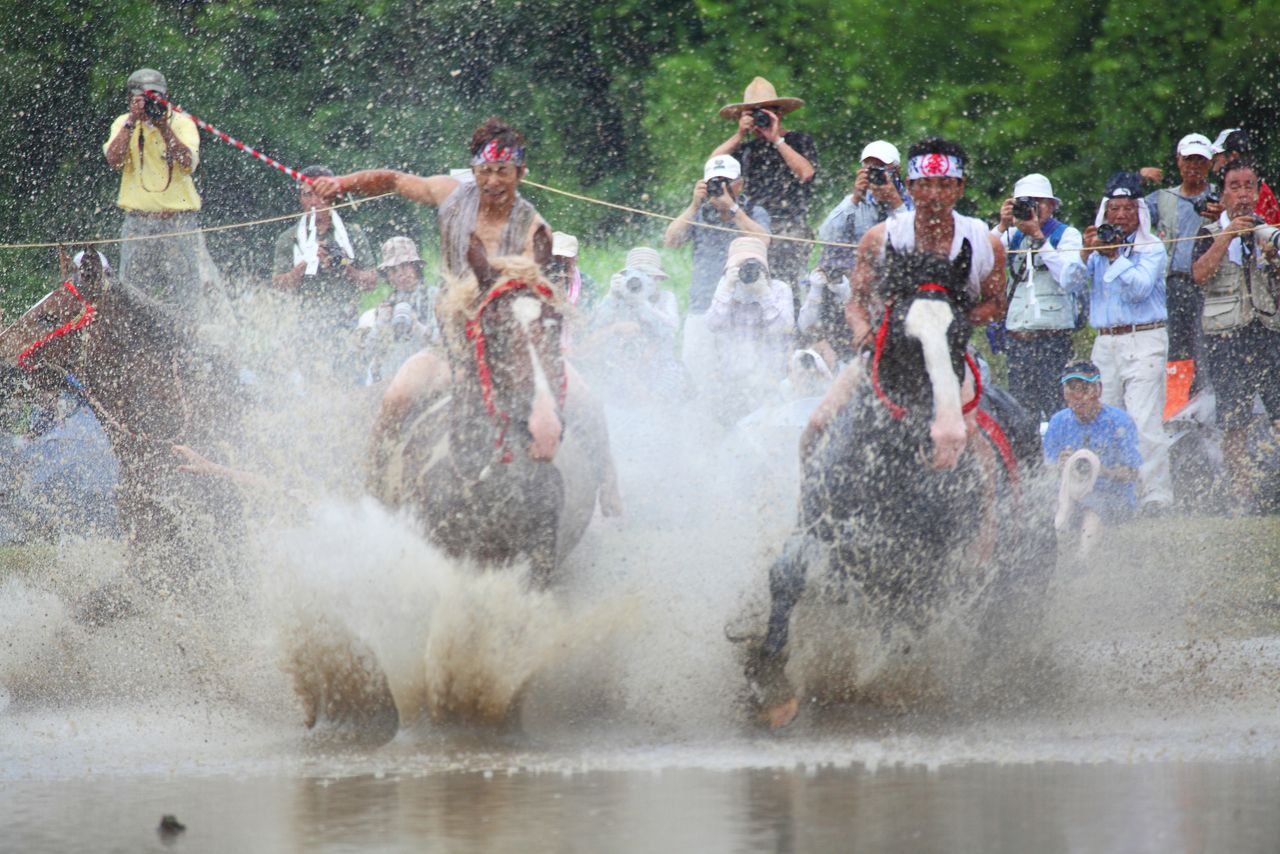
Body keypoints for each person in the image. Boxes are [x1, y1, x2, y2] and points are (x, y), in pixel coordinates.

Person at [313, 118, 621, 514]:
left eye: (503, 171)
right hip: (452, 344)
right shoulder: (450, 195)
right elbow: (393, 180)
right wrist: (343, 183)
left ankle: (609, 486)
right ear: (474, 170)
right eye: (485, 171)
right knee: (396, 397)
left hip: (510, 348)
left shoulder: (533, 228)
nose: (493, 181)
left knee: (588, 404)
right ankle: (374, 490)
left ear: (520, 172)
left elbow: (528, 301)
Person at [1061, 171, 1173, 514]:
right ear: (1105, 212)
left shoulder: (1151, 247)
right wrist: (1086, 253)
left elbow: (1139, 289)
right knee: (1103, 418)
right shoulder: (1097, 248)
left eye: (1127, 208)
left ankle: (1155, 495)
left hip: (1144, 338)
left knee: (1143, 421)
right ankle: (1111, 493)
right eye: (1114, 209)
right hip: (1105, 342)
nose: (1121, 215)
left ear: (1139, 211)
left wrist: (1115, 257)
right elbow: (1069, 284)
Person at [102, 68, 228, 327]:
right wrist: (132, 121)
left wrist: (163, 126)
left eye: (155, 98)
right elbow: (114, 160)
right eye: (143, 98)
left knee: (188, 291)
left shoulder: (181, 122)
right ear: (131, 99)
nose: (149, 104)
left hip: (179, 222)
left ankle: (189, 338)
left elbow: (188, 162)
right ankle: (135, 338)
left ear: (166, 96)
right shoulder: (123, 123)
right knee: (131, 293)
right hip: (137, 223)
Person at [1189, 158, 1280, 511]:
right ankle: (1241, 495)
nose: (1242, 194)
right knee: (1234, 420)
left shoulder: (1268, 230)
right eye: (1235, 186)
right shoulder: (1208, 232)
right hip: (1226, 337)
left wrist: (1273, 257)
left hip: (1267, 331)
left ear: (1257, 192)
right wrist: (1227, 235)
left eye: (1248, 186)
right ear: (1223, 193)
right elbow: (1199, 275)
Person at [663, 154, 771, 391]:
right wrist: (694, 205)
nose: (719, 188)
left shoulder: (753, 211)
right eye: (714, 182)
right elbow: (671, 240)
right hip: (702, 306)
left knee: (743, 382)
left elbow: (764, 240)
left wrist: (733, 209)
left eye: (725, 182)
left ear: (739, 184)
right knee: (697, 379)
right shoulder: (699, 214)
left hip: (743, 312)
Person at [802, 141, 911, 366]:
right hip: (857, 281)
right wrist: (854, 198)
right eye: (869, 168)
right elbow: (826, 234)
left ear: (896, 170)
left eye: (880, 168)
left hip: (899, 280)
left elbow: (915, 240)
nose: (874, 174)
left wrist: (894, 201)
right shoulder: (855, 202)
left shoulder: (910, 201)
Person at [711, 77, 817, 289]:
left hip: (790, 226)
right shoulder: (746, 149)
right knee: (748, 287)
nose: (760, 119)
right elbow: (713, 165)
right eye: (753, 113)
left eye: (765, 113)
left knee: (787, 289)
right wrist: (740, 134)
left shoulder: (799, 141)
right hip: (752, 224)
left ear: (779, 114)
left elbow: (806, 173)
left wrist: (776, 139)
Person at [993, 173, 1083, 422]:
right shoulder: (1012, 235)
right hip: (1018, 340)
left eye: (1037, 202)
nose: (1031, 209)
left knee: (1057, 410)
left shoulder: (1066, 235)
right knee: (1021, 415)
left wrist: (1039, 238)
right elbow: (982, 256)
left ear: (1051, 205)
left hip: (1052, 340)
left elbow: (1070, 279)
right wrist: (1001, 226)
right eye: (1025, 203)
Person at [1042, 360, 1142, 558]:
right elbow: (1046, 471)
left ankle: (1083, 560)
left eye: (1085, 388)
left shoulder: (1119, 422)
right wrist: (1061, 466)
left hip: (1114, 496)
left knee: (1093, 507)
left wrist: (1101, 471)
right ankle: (1052, 557)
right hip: (1069, 496)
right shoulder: (1058, 422)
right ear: (1064, 394)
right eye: (1072, 389)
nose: (1078, 396)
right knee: (1046, 508)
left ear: (1099, 389)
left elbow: (1133, 473)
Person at [272, 165, 378, 338]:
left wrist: (343, 264)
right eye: (307, 195)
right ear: (300, 198)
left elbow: (371, 283)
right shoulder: (289, 238)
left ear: (332, 197)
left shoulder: (352, 234)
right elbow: (279, 287)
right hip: (303, 326)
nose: (314, 202)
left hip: (348, 321)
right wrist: (306, 263)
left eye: (320, 194)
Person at [1144, 133, 1220, 373]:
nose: (1194, 166)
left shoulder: (1221, 195)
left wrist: (1223, 216)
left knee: (1206, 349)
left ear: (1210, 163)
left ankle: (1206, 392)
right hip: (1171, 284)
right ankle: (1175, 395)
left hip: (1210, 285)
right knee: (1172, 353)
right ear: (1178, 160)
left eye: (1200, 160)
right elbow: (1122, 214)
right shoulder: (1163, 197)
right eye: (1189, 159)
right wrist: (1136, 180)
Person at [704, 237, 795, 418]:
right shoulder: (726, 286)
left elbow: (783, 329)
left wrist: (764, 294)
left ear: (764, 268)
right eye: (740, 266)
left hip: (769, 378)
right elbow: (713, 324)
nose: (747, 271)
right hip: (732, 379)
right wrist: (728, 288)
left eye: (752, 266)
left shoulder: (779, 289)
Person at [577, 247, 683, 402]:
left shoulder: (666, 298)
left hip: (660, 371)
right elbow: (595, 326)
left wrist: (643, 304)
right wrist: (611, 297)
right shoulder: (619, 297)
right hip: (623, 372)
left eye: (648, 277)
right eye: (639, 276)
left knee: (661, 405)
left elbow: (669, 331)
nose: (642, 281)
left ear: (658, 278)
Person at [355, 236, 439, 385]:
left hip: (429, 374)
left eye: (405, 266)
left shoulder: (435, 297)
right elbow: (366, 355)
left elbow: (443, 343)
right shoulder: (387, 305)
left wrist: (417, 327)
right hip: (393, 378)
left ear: (416, 267)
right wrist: (381, 324)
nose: (400, 274)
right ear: (387, 276)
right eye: (393, 270)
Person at [1211, 129, 1280, 225]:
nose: (1214, 169)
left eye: (1216, 161)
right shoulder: (1257, 188)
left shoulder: (1258, 192)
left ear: (1234, 156)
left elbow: (1250, 228)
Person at [548, 231, 597, 311]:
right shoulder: (538, 281)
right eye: (556, 259)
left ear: (576, 258)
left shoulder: (586, 283)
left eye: (566, 260)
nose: (560, 263)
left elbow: (591, 315)